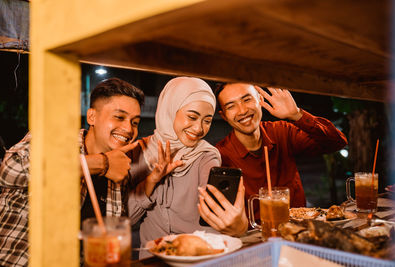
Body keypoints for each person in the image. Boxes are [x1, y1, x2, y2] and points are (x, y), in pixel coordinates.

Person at [0, 78, 144, 266]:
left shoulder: (119, 170)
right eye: (119, 117)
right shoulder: (55, 138)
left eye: (135, 122)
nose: (128, 128)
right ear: (91, 117)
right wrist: (102, 163)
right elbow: (10, 170)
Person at [128, 77, 248, 258]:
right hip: (154, 259)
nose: (199, 128)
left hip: (198, 258)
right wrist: (151, 181)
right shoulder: (140, 151)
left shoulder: (207, 156)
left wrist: (236, 222)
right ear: (171, 109)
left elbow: (216, 212)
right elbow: (127, 220)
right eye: (192, 117)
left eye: (207, 120)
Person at [212, 83, 348, 221]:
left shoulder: (282, 132)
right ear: (224, 116)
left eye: (247, 100)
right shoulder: (220, 156)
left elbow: (337, 142)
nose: (242, 111)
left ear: (260, 99)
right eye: (231, 106)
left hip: (298, 231)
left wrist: (296, 114)